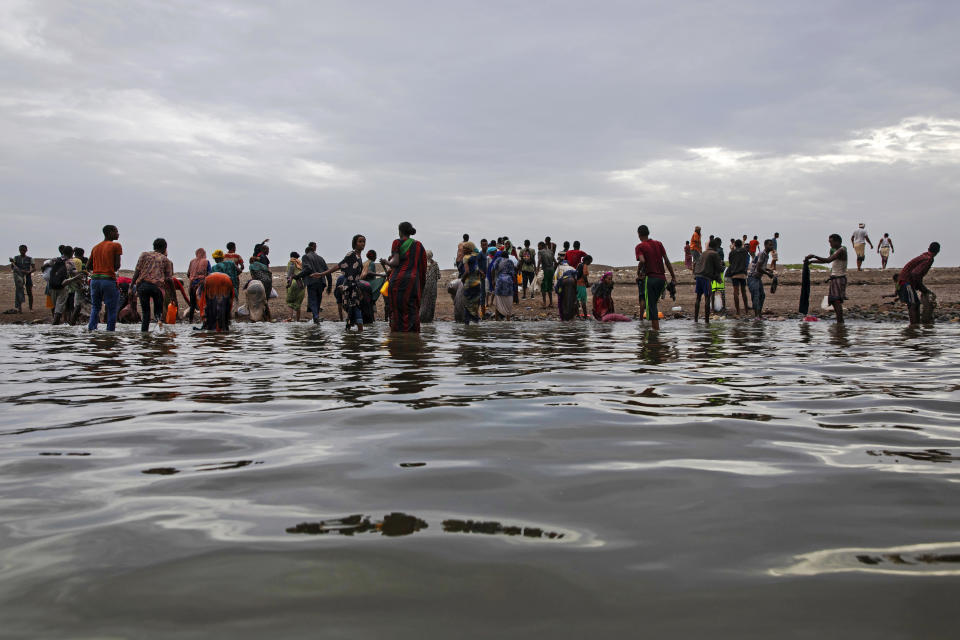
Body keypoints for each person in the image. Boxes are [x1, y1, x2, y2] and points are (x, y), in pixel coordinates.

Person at [383, 221, 428, 332]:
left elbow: (395, 262)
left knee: (397, 309)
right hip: (413, 281)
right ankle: (413, 338)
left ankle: (398, 338)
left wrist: (386, 262)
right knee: (412, 309)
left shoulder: (397, 242)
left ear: (400, 231)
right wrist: (421, 284)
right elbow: (423, 266)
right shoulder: (418, 245)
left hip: (398, 280)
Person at [635, 225, 677, 331]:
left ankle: (655, 333)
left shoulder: (640, 246)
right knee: (653, 304)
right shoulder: (659, 244)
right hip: (662, 280)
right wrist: (673, 276)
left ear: (639, 234)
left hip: (651, 279)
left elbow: (642, 260)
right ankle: (655, 331)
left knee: (652, 306)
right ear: (648, 233)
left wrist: (639, 271)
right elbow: (666, 261)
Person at [131, 238, 173, 332]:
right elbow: (169, 279)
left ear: (154, 246)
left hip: (142, 286)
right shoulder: (165, 260)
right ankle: (159, 334)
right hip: (156, 288)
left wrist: (131, 286)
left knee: (146, 313)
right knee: (158, 314)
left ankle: (144, 335)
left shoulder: (144, 255)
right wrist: (173, 295)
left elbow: (137, 271)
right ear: (165, 248)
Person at [805, 234, 848, 323]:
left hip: (839, 279)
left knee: (836, 301)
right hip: (835, 278)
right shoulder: (837, 251)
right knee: (834, 301)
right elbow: (827, 260)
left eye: (831, 242)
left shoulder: (841, 250)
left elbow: (828, 260)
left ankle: (840, 322)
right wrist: (812, 262)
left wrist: (814, 256)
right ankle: (839, 323)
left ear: (837, 241)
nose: (830, 245)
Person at [88, 225, 122, 331]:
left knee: (95, 308)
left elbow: (89, 266)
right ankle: (110, 334)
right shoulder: (116, 246)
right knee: (112, 309)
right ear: (110, 232)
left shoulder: (96, 247)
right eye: (116, 231)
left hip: (95, 280)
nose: (118, 234)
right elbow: (117, 266)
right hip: (108, 280)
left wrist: (99, 265)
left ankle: (91, 330)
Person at [898, 242, 940, 325]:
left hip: (903, 281)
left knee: (915, 304)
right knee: (913, 304)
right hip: (905, 282)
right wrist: (922, 288)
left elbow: (916, 274)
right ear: (938, 251)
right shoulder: (928, 259)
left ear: (928, 248)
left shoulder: (925, 256)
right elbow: (915, 274)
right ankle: (914, 326)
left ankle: (915, 327)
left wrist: (920, 287)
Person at [301, 242, 333, 324]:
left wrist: (297, 276)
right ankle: (316, 317)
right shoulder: (321, 258)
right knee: (318, 300)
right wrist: (329, 285)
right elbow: (328, 272)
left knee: (312, 300)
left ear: (306, 251)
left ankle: (315, 316)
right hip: (321, 283)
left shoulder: (305, 256)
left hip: (312, 282)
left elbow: (307, 269)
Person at [693, 238, 723, 324]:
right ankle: (707, 321)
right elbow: (719, 268)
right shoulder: (714, 254)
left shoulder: (703, 253)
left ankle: (695, 320)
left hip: (698, 276)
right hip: (706, 278)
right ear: (716, 246)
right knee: (707, 298)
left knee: (698, 298)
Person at [747, 238, 776, 318]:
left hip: (757, 278)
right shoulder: (762, 254)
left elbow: (761, 266)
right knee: (756, 296)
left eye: (772, 245)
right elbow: (759, 268)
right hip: (753, 277)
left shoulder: (766, 255)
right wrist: (768, 274)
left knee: (762, 295)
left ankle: (759, 314)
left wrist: (768, 270)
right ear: (765, 245)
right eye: (770, 245)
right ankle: (757, 316)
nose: (772, 246)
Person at [49, 245, 76, 325]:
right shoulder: (70, 262)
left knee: (54, 306)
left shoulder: (54, 260)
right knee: (59, 307)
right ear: (71, 253)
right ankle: (55, 324)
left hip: (52, 285)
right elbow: (74, 272)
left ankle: (54, 325)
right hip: (63, 286)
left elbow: (48, 267)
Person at [459, 243, 483, 324]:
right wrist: (481, 273)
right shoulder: (475, 256)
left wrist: (462, 280)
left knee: (467, 304)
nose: (464, 250)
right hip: (477, 284)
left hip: (469, 284)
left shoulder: (465, 258)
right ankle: (476, 322)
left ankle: (467, 324)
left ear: (470, 249)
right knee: (475, 304)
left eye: (465, 248)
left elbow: (467, 271)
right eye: (463, 248)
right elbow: (477, 269)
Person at [726, 238, 750, 316]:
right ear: (741, 245)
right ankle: (746, 311)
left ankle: (738, 312)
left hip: (735, 274)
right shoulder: (745, 251)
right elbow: (747, 261)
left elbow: (730, 262)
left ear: (735, 245)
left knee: (736, 293)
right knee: (744, 292)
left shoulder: (732, 252)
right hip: (743, 274)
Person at [492, 247, 517, 320]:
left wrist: (493, 280)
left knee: (498, 300)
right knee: (508, 300)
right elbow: (513, 273)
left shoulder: (498, 260)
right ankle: (508, 319)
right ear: (508, 256)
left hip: (500, 281)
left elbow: (493, 269)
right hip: (508, 281)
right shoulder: (510, 262)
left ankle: (496, 319)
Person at [187, 248, 210, 323]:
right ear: (204, 253)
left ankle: (190, 320)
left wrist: (193, 278)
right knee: (203, 302)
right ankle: (204, 320)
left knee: (192, 304)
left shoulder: (191, 261)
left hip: (192, 285)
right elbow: (209, 273)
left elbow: (188, 274)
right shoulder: (206, 261)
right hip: (201, 285)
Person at [10, 245, 35, 313]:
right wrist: (12, 262)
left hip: (27, 276)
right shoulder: (16, 258)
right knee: (19, 291)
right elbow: (13, 267)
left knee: (29, 292)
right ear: (19, 250)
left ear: (26, 250)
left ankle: (30, 308)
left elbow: (34, 268)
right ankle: (19, 308)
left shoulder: (30, 258)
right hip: (19, 276)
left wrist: (28, 272)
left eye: (24, 250)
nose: (22, 252)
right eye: (21, 250)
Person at [420, 250, 440, 324]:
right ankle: (429, 319)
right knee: (431, 302)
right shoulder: (435, 264)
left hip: (423, 286)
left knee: (422, 302)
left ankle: (421, 318)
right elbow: (439, 276)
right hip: (433, 287)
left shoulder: (422, 264)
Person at [285, 251, 305, 321]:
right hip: (302, 284)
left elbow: (289, 273)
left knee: (290, 301)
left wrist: (288, 282)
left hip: (293, 282)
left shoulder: (291, 262)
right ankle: (298, 320)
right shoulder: (300, 263)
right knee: (298, 302)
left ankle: (290, 318)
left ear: (291, 256)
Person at [537, 240, 556, 308]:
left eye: (538, 246)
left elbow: (539, 261)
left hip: (545, 270)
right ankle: (551, 303)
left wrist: (537, 270)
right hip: (551, 270)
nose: (538, 247)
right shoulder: (550, 251)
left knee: (543, 287)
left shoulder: (540, 252)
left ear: (541, 246)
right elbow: (555, 261)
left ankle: (544, 303)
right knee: (550, 286)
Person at [575, 255, 592, 319]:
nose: (590, 263)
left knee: (577, 299)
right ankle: (585, 315)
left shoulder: (579, 264)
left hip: (576, 283)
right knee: (583, 300)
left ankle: (577, 314)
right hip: (581, 284)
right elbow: (584, 275)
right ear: (587, 261)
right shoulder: (585, 265)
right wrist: (587, 283)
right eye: (590, 261)